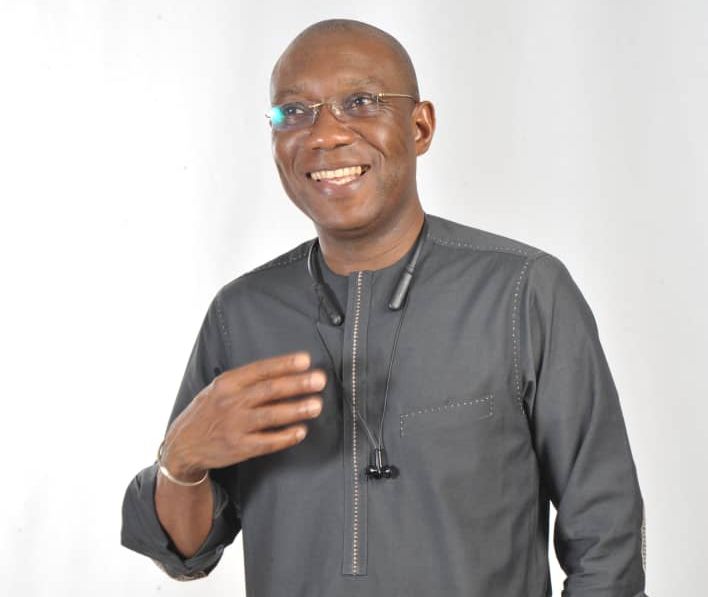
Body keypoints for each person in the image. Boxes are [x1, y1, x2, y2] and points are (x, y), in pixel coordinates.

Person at [121, 18, 648, 597]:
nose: (325, 135)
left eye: (360, 102)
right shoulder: (241, 315)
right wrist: (180, 462)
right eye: (293, 112)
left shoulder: (523, 291)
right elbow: (187, 552)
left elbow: (607, 542)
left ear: (420, 127)